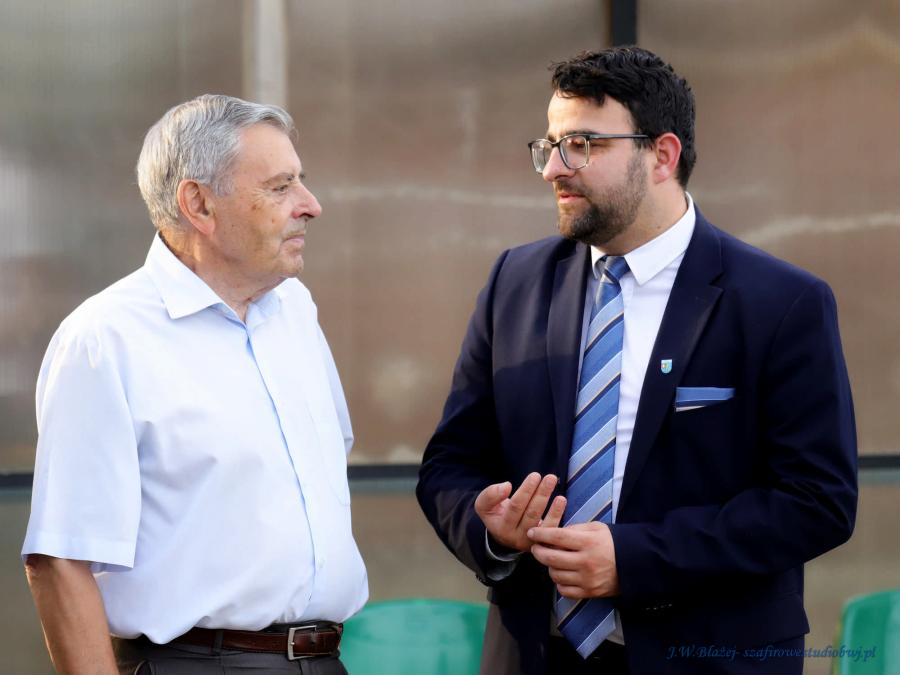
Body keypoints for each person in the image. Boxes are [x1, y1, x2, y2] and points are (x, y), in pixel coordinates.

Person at [416, 47, 857, 675]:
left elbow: (817, 502)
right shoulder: (515, 281)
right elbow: (449, 465)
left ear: (663, 156)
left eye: (582, 145)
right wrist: (490, 529)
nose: (554, 169)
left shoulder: (781, 302)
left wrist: (635, 559)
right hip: (535, 654)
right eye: (550, 146)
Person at [22, 94, 367, 674]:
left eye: (300, 182)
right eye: (280, 187)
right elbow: (61, 560)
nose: (310, 205)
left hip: (324, 660)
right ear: (198, 204)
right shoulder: (106, 338)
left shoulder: (295, 310)